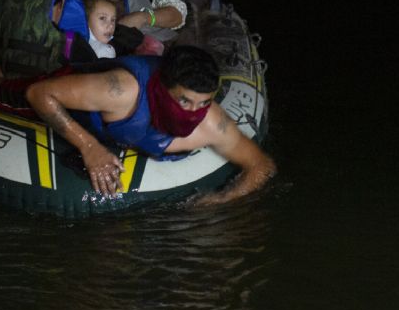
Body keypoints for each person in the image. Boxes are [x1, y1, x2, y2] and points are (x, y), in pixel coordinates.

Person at [24, 45, 277, 205]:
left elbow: (261, 166)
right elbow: (38, 94)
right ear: (162, 88)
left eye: (203, 103)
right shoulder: (122, 91)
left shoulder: (212, 122)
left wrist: (222, 199)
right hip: (74, 102)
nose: (192, 113)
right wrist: (89, 146)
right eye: (184, 100)